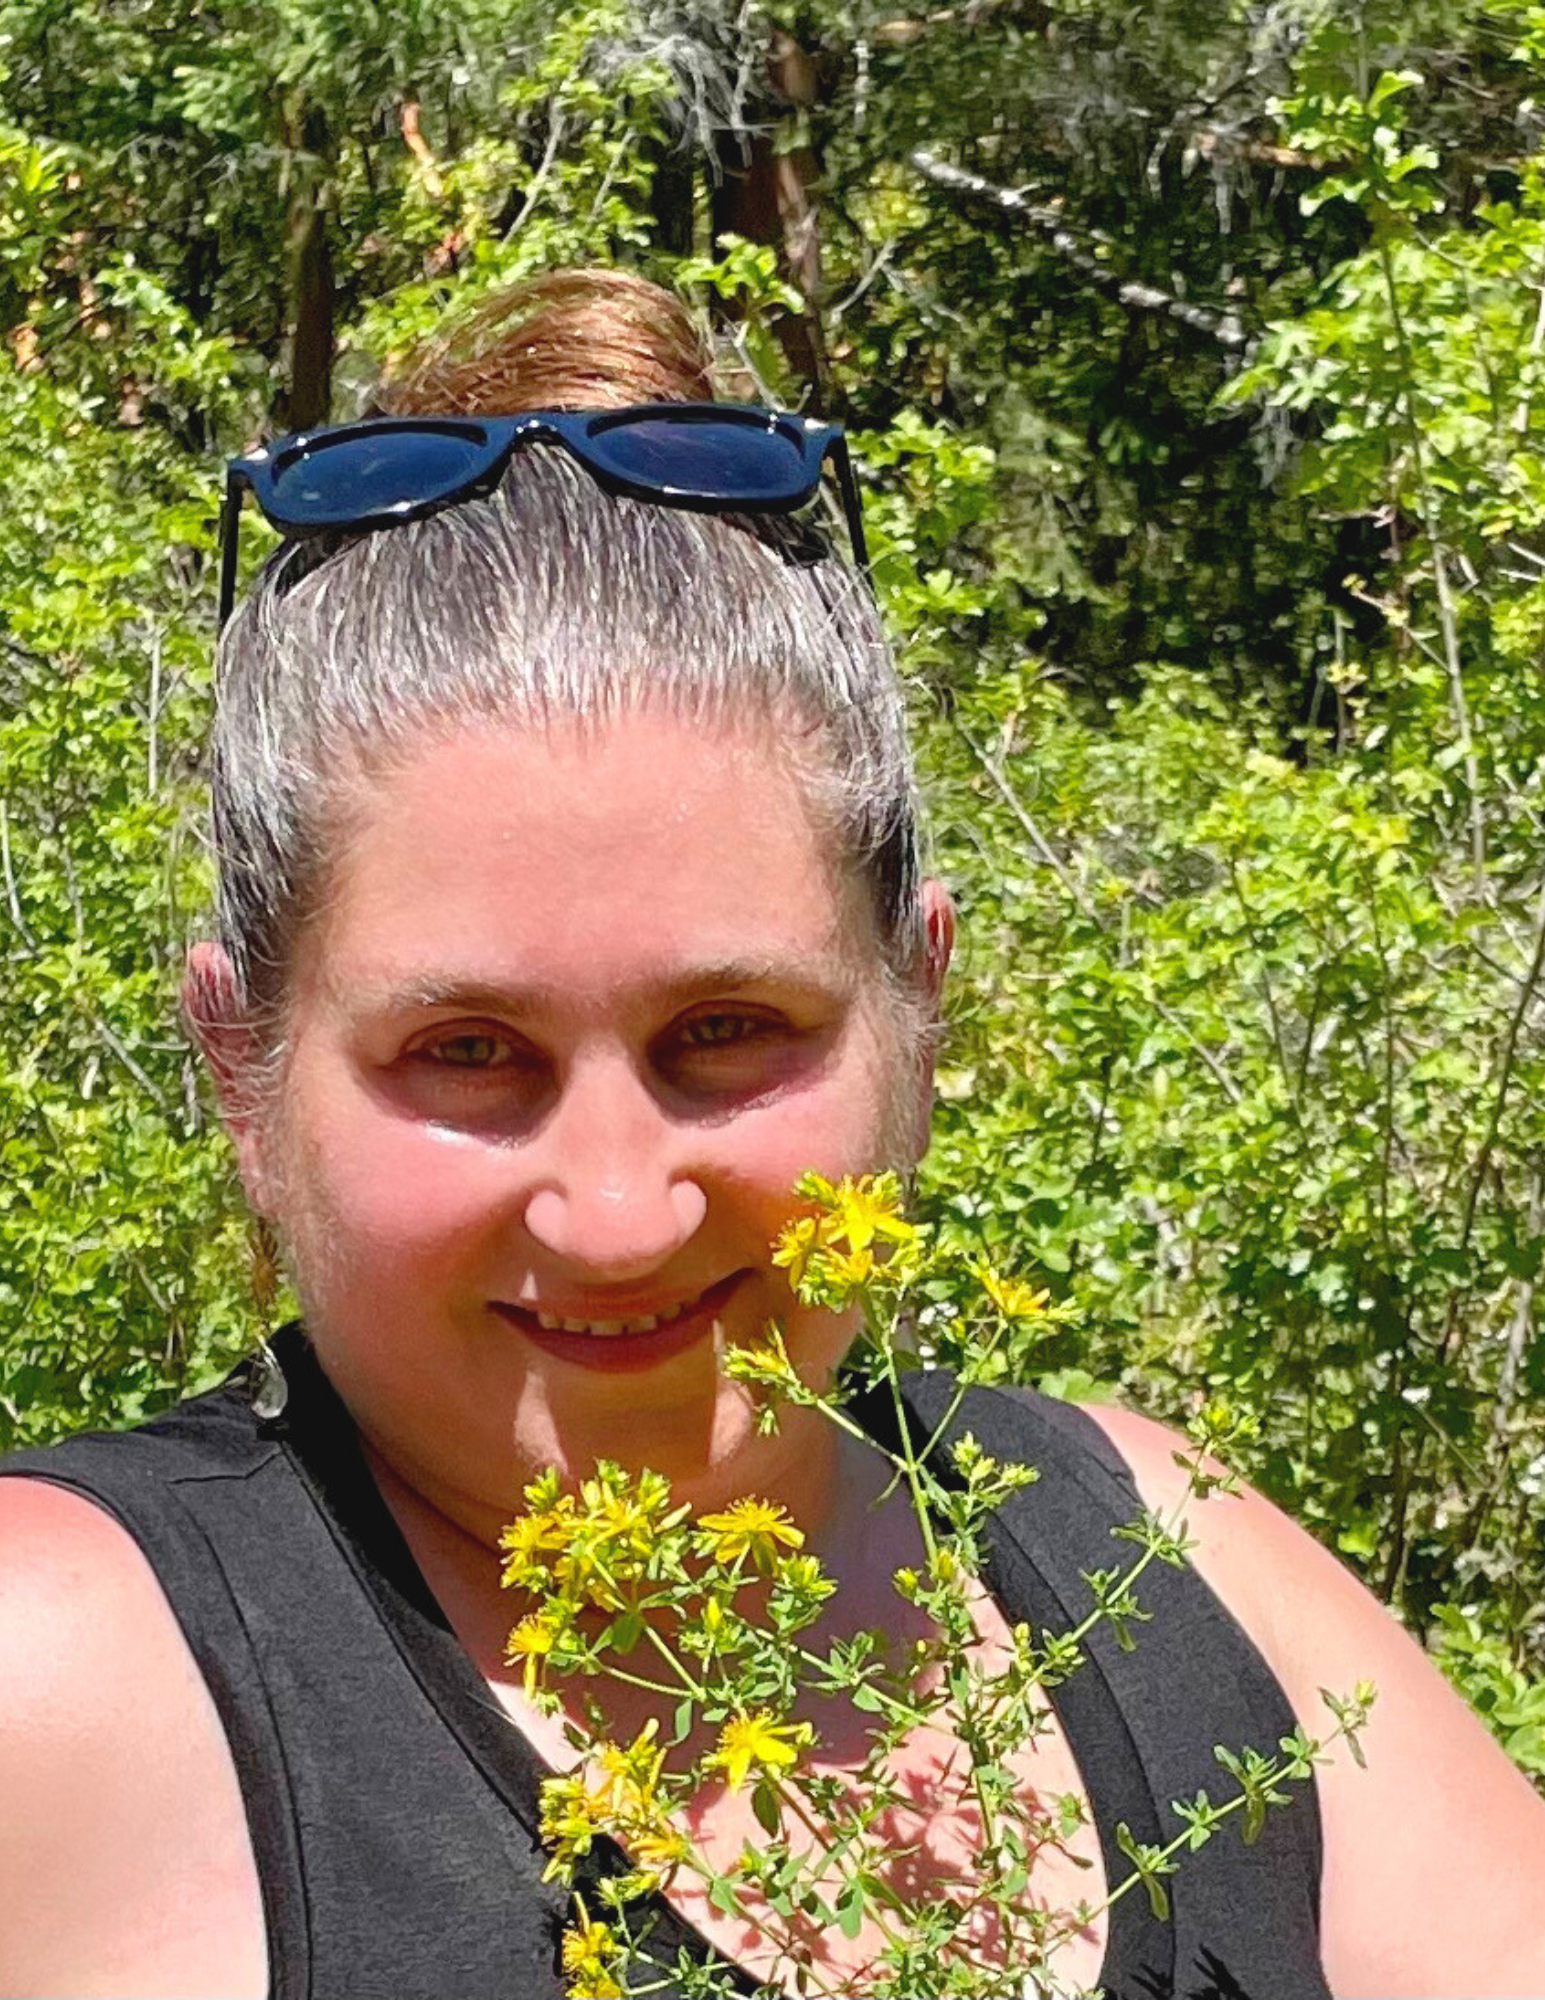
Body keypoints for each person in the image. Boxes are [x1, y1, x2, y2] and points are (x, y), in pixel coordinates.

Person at [2, 267, 1543, 2000]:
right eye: (467, 1053)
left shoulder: (1169, 1558)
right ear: (241, 1069)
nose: (617, 1214)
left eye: (727, 1032)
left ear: (920, 1005)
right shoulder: (56, 1678)